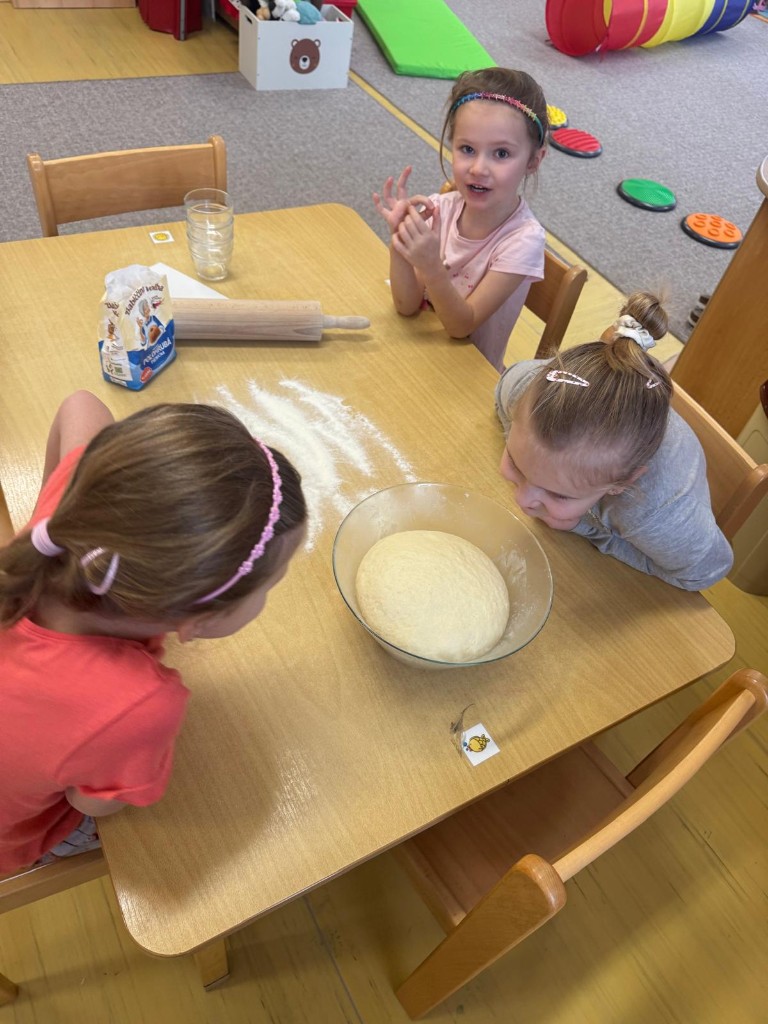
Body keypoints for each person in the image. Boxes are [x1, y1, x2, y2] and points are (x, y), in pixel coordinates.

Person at [0, 390, 307, 873]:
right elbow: (89, 803)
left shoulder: (77, 513)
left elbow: (80, 404)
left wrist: (47, 508)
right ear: (200, 619)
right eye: (272, 582)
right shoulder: (137, 706)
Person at [494, 293, 733, 591]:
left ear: (623, 482)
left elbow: (705, 573)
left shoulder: (653, 515)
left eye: (560, 495)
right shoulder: (523, 387)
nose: (522, 501)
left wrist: (594, 532)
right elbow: (502, 389)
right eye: (516, 464)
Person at [373, 67, 548, 373]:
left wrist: (431, 267)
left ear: (533, 160)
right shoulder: (442, 207)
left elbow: (460, 327)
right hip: (422, 356)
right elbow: (406, 306)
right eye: (467, 149)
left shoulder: (524, 240)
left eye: (501, 154)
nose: (478, 168)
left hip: (471, 377)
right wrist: (400, 243)